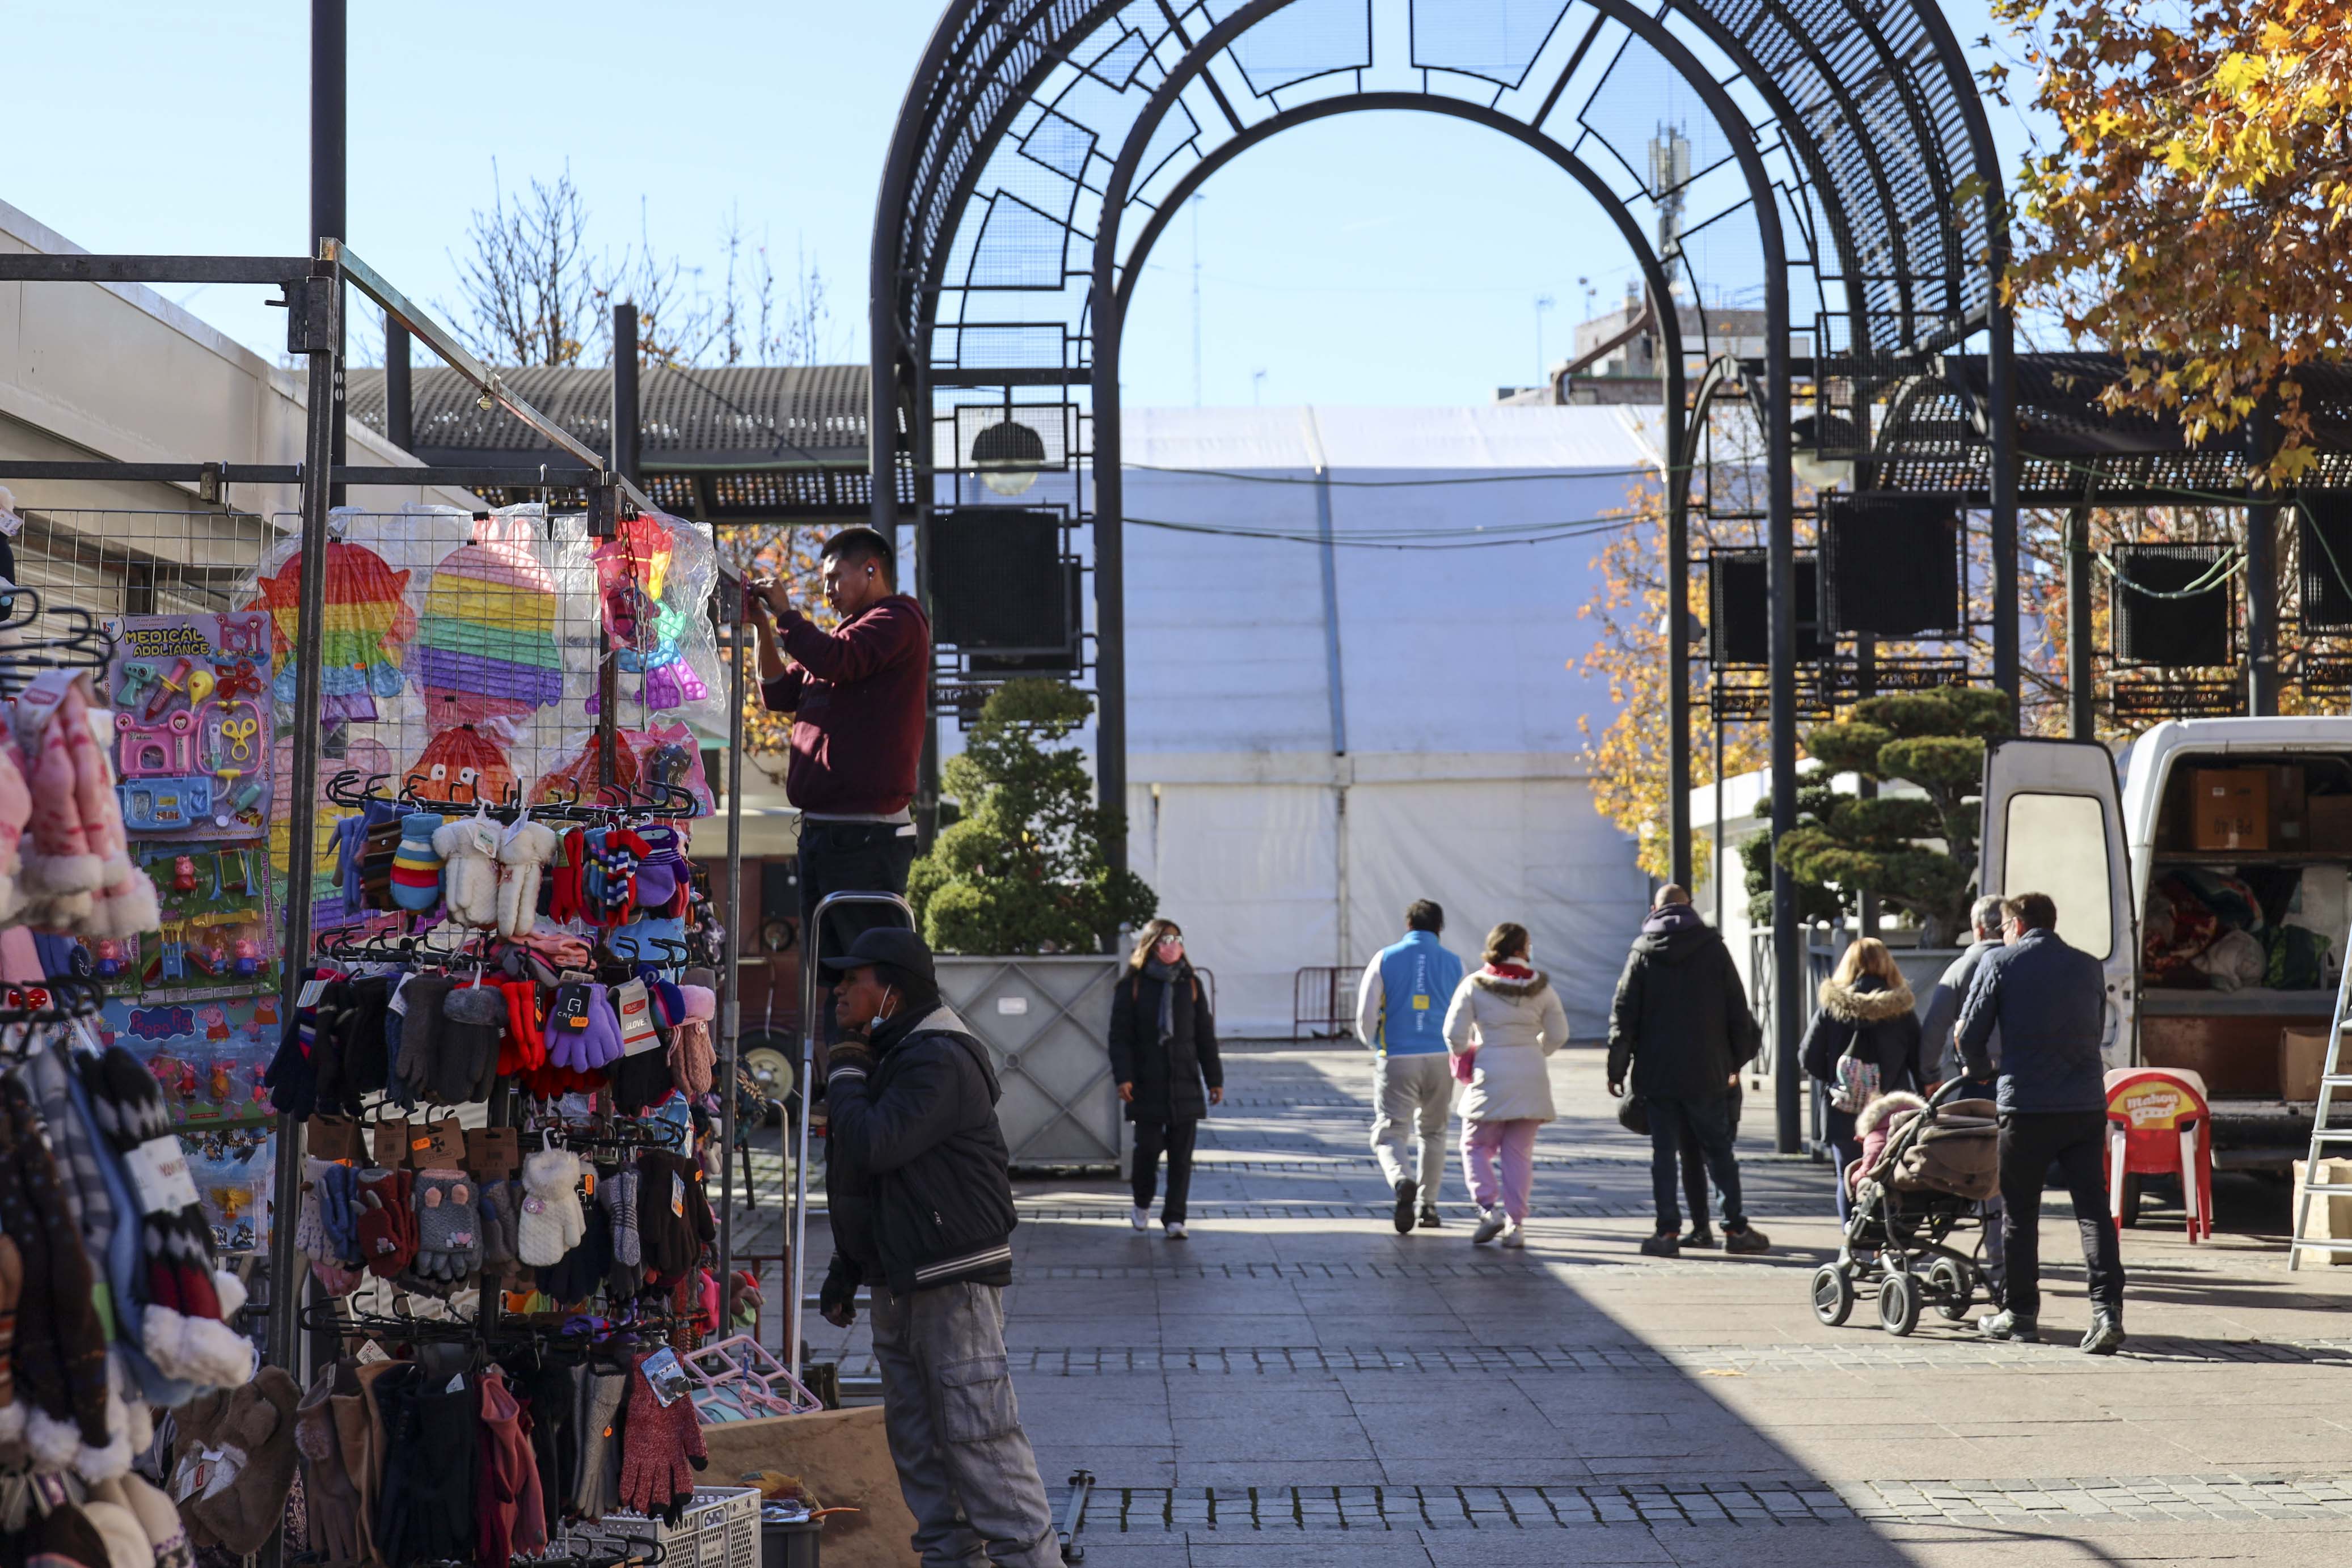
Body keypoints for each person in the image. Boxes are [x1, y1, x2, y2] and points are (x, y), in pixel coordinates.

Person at [816, 926, 1060, 1566]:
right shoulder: (892, 1052)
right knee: (920, 1447)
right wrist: (848, 1264)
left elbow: (876, 1143)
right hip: (900, 1276)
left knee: (981, 1440)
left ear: (892, 990)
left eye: (854, 977)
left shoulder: (938, 1055)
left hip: (950, 1277)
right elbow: (865, 1180)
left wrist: (845, 1070)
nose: (838, 989)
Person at [751, 526, 931, 1040]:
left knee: (869, 967)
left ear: (871, 570)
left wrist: (787, 615)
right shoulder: (843, 640)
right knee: (836, 974)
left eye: (835, 577)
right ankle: (847, 1073)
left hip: (865, 836)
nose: (828, 590)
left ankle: (886, 1066)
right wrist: (763, 627)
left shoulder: (897, 619)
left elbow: (835, 660)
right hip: (824, 834)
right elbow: (779, 693)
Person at [1954, 891, 2125, 1354]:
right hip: (2083, 1104)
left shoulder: (2000, 963)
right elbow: (2093, 1027)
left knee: (2019, 1212)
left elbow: (1969, 1034)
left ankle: (2021, 1313)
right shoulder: (2088, 965)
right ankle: (2106, 1311)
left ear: (2014, 925)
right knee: (2092, 1209)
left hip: (2025, 1106)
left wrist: (1980, 1070)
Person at [1606, 885, 1770, 1257]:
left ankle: (1666, 1234)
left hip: (1656, 1075)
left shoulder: (1641, 952)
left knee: (1664, 1154)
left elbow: (1623, 1016)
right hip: (1708, 1073)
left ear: (1654, 909)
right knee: (1719, 1151)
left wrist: (1616, 1069)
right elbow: (1738, 1011)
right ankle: (1735, 1229)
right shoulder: (1713, 948)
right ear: (1690, 906)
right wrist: (1734, 1063)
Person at [1443, 922, 1570, 1248]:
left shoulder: (1474, 984)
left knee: (1474, 1145)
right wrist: (1536, 1050)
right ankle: (1516, 1225)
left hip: (1490, 1074)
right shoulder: (1542, 988)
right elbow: (1559, 1034)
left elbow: (1454, 1035)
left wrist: (1468, 1051)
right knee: (1519, 1155)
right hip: (1531, 1076)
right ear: (1521, 949)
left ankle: (1488, 1209)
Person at [1107, 918, 1223, 1240]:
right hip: (1147, 1082)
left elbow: (1205, 1036)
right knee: (1148, 1149)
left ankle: (1175, 1217)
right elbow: (1120, 1037)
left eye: (1177, 939)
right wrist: (1124, 1076)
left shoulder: (1191, 984)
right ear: (1151, 944)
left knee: (1181, 1157)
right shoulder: (1132, 985)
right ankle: (1142, 1202)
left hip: (1185, 1080)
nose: (1173, 946)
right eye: (1166, 940)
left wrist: (1214, 1079)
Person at [1354, 900, 1466, 1233]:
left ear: (1408, 924)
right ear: (1440, 927)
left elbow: (1366, 1013)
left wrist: (1374, 1042)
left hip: (1397, 1057)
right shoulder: (1455, 963)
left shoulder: (1384, 958)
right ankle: (1429, 1206)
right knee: (1434, 1132)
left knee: (1390, 1131)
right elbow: (1464, 1013)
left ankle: (1402, 1179)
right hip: (1441, 1057)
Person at [1919, 894, 2011, 1301]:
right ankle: (2008, 1255)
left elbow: (1934, 1030)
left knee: (1983, 1164)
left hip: (1978, 1081)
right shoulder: (2020, 963)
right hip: (2021, 1080)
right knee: (2014, 1169)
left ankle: (1996, 1256)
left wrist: (1929, 1078)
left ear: (1976, 928)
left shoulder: (1961, 967)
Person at [1798, 938, 1924, 1222]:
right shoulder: (1901, 1011)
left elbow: (1808, 1056)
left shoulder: (1832, 1009)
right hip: (1890, 1112)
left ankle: (1851, 1236)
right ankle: (1886, 1235)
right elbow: (1920, 1062)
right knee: (1890, 1174)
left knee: (1848, 1173)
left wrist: (1835, 1081)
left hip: (1843, 1108)